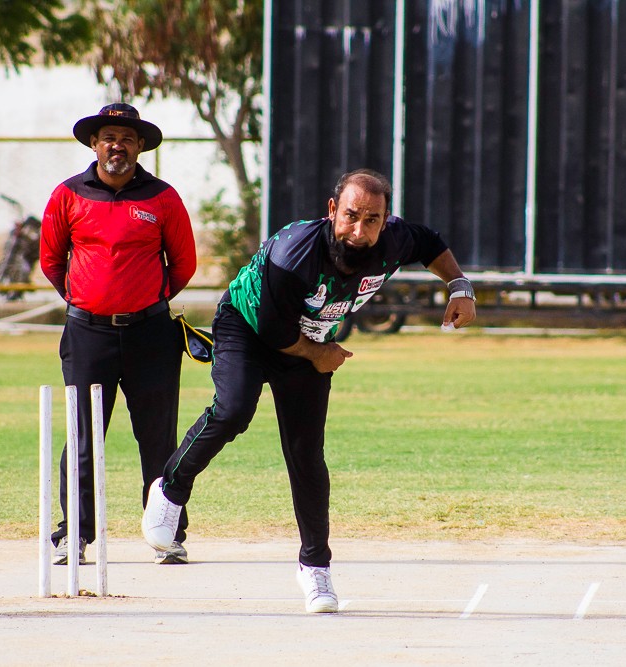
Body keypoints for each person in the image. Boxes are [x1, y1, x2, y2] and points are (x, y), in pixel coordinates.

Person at [141, 169, 476, 612]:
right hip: (248, 326)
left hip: (311, 338)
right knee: (234, 410)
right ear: (332, 210)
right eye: (351, 216)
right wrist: (319, 354)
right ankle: (170, 488)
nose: (359, 232)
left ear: (385, 220)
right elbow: (273, 330)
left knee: (306, 453)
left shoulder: (395, 239)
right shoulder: (294, 252)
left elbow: (430, 243)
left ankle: (315, 567)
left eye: (372, 220)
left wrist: (459, 286)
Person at [40, 103, 197, 566]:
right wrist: (89, 300)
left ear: (140, 146)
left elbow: (183, 264)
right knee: (82, 436)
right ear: (94, 143)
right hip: (88, 334)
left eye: (127, 139)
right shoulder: (68, 195)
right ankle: (75, 534)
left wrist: (146, 300)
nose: (117, 146)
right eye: (109, 137)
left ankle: (167, 534)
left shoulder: (162, 197)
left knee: (158, 438)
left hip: (151, 334)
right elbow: (52, 260)